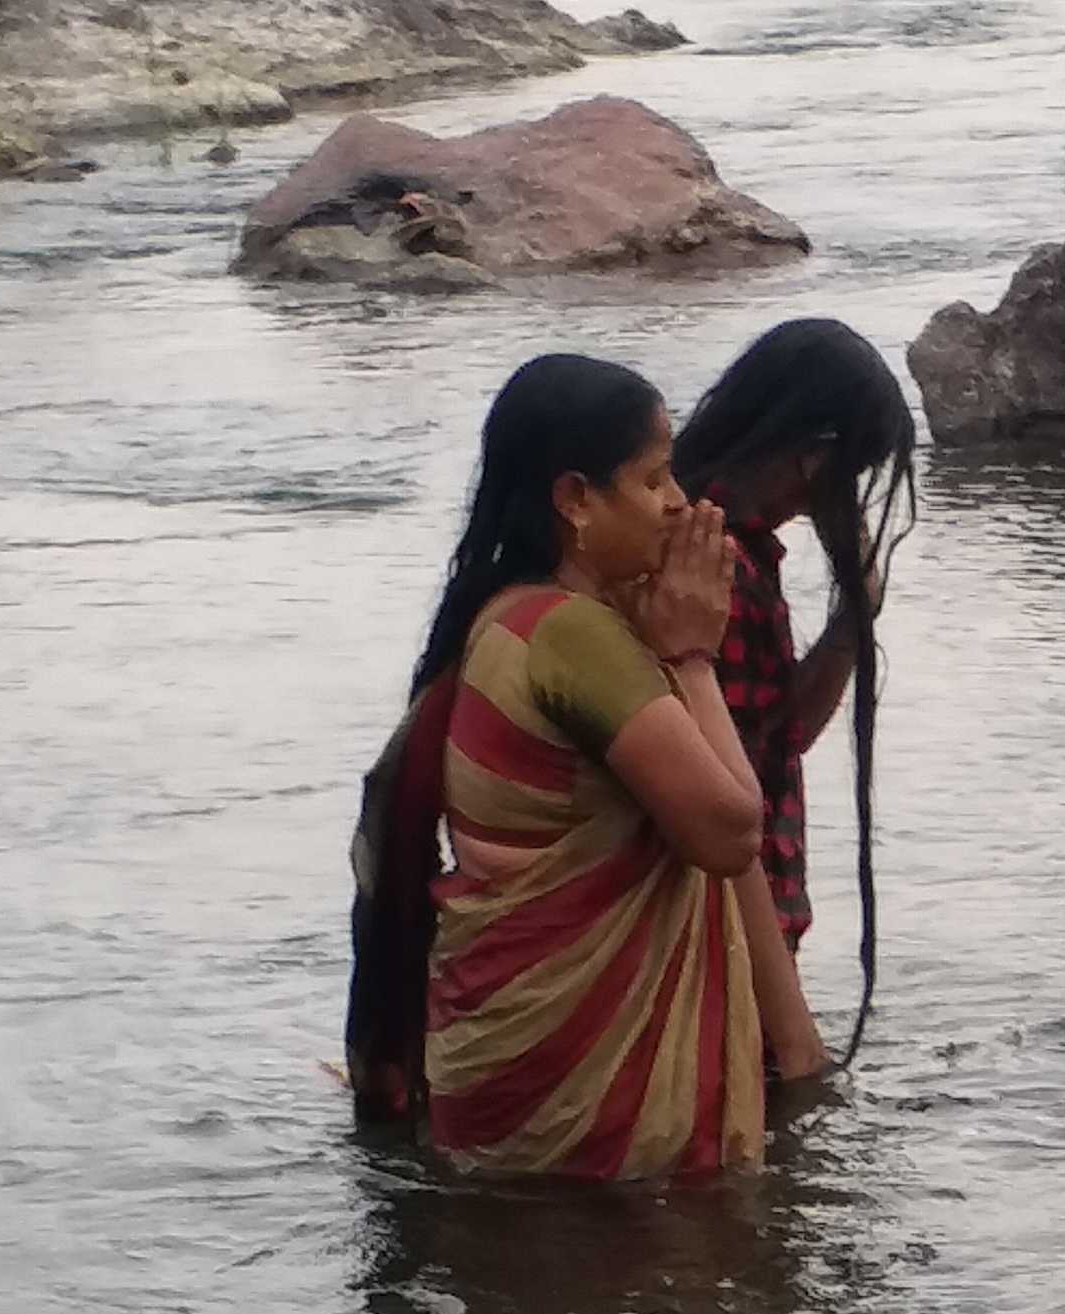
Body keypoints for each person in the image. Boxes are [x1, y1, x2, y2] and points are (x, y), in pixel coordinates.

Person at [352, 352, 833, 1180]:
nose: (680, 502)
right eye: (653, 480)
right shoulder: (576, 636)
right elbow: (727, 832)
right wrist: (690, 658)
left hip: (502, 1075)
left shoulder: (504, 616)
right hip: (579, 1103)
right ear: (575, 500)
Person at [669, 319, 914, 1028]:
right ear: (809, 451)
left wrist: (851, 622)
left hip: (750, 940)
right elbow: (729, 788)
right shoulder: (708, 561)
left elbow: (776, 738)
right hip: (722, 947)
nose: (821, 496)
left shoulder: (739, 550)